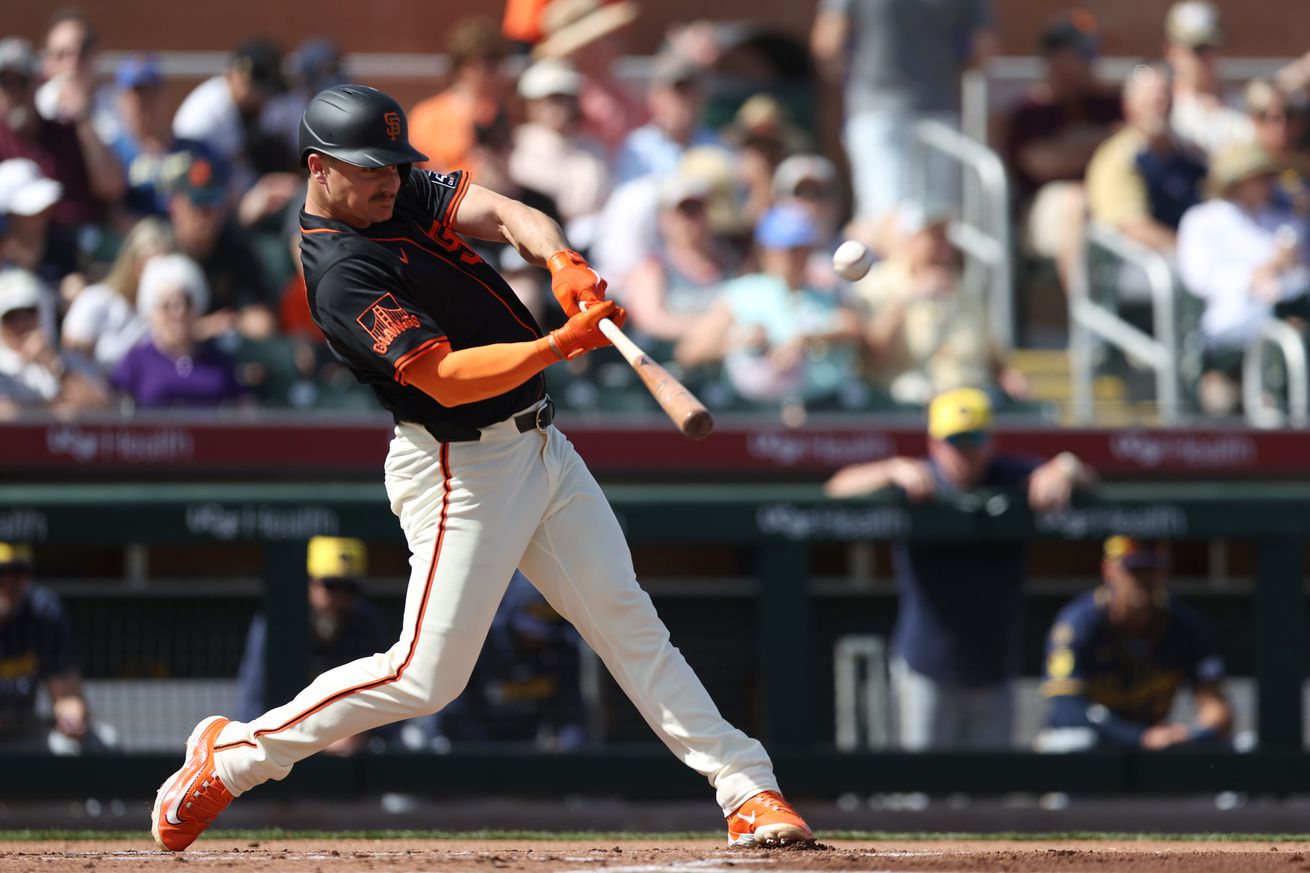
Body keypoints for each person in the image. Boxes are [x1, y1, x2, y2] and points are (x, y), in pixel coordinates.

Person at [149, 83, 812, 852]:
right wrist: (558, 345)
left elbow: (503, 215)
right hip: (459, 466)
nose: (390, 180)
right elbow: (445, 376)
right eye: (371, 169)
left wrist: (559, 258)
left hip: (540, 444)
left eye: (394, 165)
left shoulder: (391, 193)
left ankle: (747, 787)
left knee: (629, 622)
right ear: (319, 168)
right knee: (424, 676)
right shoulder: (340, 271)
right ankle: (232, 757)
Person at [824, 387, 1095, 750]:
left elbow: (1088, 481)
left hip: (995, 669)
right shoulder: (918, 476)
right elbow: (835, 490)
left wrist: (1065, 468)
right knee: (923, 794)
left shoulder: (1009, 473)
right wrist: (890, 469)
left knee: (988, 794)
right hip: (926, 668)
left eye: (974, 439)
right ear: (935, 442)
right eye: (955, 441)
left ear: (990, 441)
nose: (964, 452)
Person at [810, 0, 996, 247]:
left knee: (894, 218)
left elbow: (828, 45)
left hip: (881, 111)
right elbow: (983, 49)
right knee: (927, 223)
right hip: (924, 111)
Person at [1037, 536, 1232, 752]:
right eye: (1134, 571)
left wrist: (1191, 734)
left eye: (1151, 570)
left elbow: (1216, 708)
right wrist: (1140, 737)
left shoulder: (1184, 624)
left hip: (1157, 742)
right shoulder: (1078, 623)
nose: (1144, 581)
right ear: (1108, 570)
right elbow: (1065, 710)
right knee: (1070, 743)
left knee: (1240, 746)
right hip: (1101, 742)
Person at [675, 203, 864, 416]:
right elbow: (689, 352)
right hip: (752, 413)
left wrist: (807, 339)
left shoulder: (826, 290)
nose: (791, 257)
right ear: (766, 251)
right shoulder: (743, 292)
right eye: (784, 249)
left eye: (799, 249)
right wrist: (740, 341)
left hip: (824, 410)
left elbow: (857, 329)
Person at [1176, 142, 1310, 416]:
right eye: (1260, 176)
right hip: (1230, 323)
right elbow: (1200, 279)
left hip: (1287, 310)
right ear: (1238, 180)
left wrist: (1292, 266)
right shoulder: (1202, 221)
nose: (1269, 183)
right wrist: (1259, 273)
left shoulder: (1283, 220)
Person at [237, 536, 397, 755]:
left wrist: (363, 734)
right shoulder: (278, 623)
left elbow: (392, 692)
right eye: (330, 585)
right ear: (309, 582)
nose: (340, 596)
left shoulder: (367, 622)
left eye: (349, 588)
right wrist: (318, 740)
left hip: (360, 748)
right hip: (286, 745)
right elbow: (255, 698)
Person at [855, 207, 1029, 406]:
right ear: (908, 242)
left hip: (974, 400)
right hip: (905, 404)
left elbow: (995, 362)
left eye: (945, 238)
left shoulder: (964, 290)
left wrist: (1009, 378)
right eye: (932, 237)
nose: (942, 247)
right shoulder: (878, 284)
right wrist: (909, 297)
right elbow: (872, 351)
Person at [1002, 15, 1121, 284]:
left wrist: (1080, 147)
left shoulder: (1108, 104)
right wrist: (1101, 144)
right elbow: (1042, 163)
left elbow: (1131, 143)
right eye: (1084, 52)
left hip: (1105, 197)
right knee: (1075, 200)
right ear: (1056, 57)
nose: (1092, 59)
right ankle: (1088, 319)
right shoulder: (1029, 112)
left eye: (1094, 51)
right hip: (1042, 212)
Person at [440, 571, 589, 750]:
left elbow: (573, 718)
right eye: (529, 630)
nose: (536, 639)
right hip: (474, 748)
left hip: (527, 750)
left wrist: (561, 746)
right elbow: (451, 712)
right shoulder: (483, 642)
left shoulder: (561, 647)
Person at [0, 37, 124, 245]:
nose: (14, 93)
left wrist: (83, 117)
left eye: (20, 82)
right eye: (5, 83)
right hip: (16, 249)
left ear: (36, 83)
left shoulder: (66, 133)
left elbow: (112, 187)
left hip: (78, 241)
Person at [1086, 63, 1207, 257]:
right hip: (1142, 264)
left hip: (1197, 257)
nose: (1158, 106)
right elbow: (1134, 227)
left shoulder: (1191, 154)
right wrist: (1192, 256)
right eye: (1149, 100)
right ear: (1128, 107)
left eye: (1163, 98)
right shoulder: (1120, 157)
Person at [161, 146, 275, 340]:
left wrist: (230, 323)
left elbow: (263, 324)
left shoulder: (236, 251)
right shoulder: (161, 254)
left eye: (213, 200)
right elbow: (154, 331)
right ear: (174, 207)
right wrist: (203, 328)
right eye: (198, 202)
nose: (207, 212)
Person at [110, 252, 245, 410]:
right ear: (151, 311)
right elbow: (114, 412)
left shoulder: (218, 361)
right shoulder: (136, 361)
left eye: (186, 302)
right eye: (167, 305)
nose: (178, 312)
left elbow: (246, 412)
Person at [0, 542, 95, 753]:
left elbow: (67, 696)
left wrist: (73, 718)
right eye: (2, 573)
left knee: (90, 745)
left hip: (25, 729)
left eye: (17, 573)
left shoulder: (41, 612)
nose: (9, 582)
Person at [509, 58, 611, 253]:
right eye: (549, 99)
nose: (557, 106)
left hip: (593, 246)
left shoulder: (592, 148)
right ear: (530, 103)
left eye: (564, 98)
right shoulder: (515, 145)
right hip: (536, 247)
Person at [61, 215, 171, 373]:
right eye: (151, 266)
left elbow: (180, 367)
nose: (158, 275)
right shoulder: (95, 300)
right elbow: (72, 363)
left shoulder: (172, 314)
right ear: (133, 262)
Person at [409, 16, 509, 176]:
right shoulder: (427, 116)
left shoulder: (500, 113)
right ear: (464, 66)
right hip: (443, 197)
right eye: (488, 66)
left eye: (497, 65)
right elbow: (419, 174)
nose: (496, 74)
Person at [0, 267, 107, 416]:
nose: (21, 324)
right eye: (11, 317)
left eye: (29, 313)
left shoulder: (67, 359)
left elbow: (102, 407)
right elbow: (7, 417)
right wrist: (52, 411)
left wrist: (54, 364)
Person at [613, 52, 721, 185]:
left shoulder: (715, 144)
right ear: (655, 96)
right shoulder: (638, 148)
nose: (685, 100)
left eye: (691, 91)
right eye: (677, 91)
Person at [1163, 0, 1252, 157]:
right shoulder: (1164, 109)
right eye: (1198, 49)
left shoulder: (1245, 104)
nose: (1207, 57)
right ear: (1172, 51)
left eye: (1213, 46)